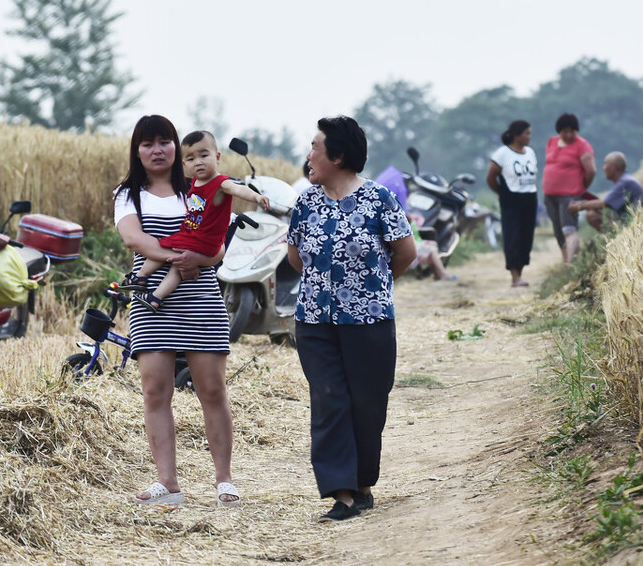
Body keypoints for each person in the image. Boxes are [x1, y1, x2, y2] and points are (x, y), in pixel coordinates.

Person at [286, 116, 417, 522]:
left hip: (370, 321)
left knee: (368, 402)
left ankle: (362, 485)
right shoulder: (306, 202)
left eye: (315, 147)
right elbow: (295, 258)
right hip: (315, 321)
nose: (308, 156)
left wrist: (372, 287)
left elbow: (406, 253)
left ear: (338, 155)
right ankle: (340, 493)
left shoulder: (379, 199)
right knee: (328, 400)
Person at [113, 114, 240, 508]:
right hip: (151, 297)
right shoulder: (127, 194)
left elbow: (219, 246)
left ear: (177, 148)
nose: (157, 150)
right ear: (137, 150)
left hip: (199, 292)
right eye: (148, 143)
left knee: (212, 389)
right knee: (155, 390)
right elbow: (135, 239)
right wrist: (181, 255)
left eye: (164, 142)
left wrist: (196, 261)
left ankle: (224, 481)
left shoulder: (202, 188)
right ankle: (167, 484)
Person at [129, 130, 270, 313]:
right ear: (184, 163)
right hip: (194, 236)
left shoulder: (220, 183)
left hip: (204, 240)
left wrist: (256, 197)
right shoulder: (195, 182)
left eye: (204, 155)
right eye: (191, 158)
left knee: (164, 246)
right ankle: (156, 297)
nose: (199, 162)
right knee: (176, 268)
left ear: (217, 156)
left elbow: (237, 189)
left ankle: (139, 277)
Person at [486, 120, 539, 287]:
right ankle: (514, 277)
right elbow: (491, 177)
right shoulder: (503, 153)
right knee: (512, 236)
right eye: (527, 133)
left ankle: (520, 272)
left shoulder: (530, 152)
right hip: (511, 198)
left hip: (530, 197)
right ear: (517, 135)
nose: (529, 137)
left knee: (526, 236)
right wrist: (501, 193)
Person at [541, 113, 596, 263]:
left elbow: (591, 171)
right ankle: (565, 262)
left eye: (572, 131)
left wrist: (580, 187)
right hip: (550, 194)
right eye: (565, 131)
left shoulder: (582, 145)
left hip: (570, 196)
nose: (569, 134)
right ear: (559, 131)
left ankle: (571, 263)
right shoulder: (552, 142)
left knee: (569, 230)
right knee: (558, 231)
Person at [567, 152, 643, 232]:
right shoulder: (626, 180)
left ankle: (613, 239)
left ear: (614, 167)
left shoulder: (625, 182)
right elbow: (606, 205)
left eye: (606, 164)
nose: (603, 168)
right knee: (594, 210)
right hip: (630, 221)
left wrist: (578, 206)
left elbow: (603, 204)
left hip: (634, 225)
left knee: (592, 215)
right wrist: (583, 204)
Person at [407, 212, 456, 281]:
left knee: (432, 251)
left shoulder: (411, 218)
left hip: (415, 248)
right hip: (413, 249)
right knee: (432, 250)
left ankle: (439, 274)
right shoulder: (407, 218)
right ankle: (441, 274)